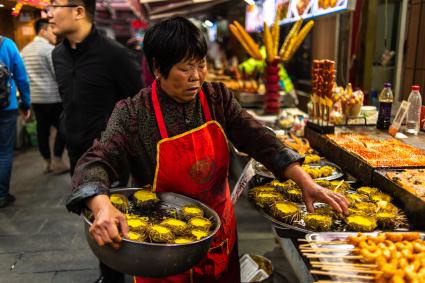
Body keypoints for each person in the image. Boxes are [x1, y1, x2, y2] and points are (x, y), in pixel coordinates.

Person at [66, 17, 348, 283]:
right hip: (162, 246)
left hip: (218, 232)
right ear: (157, 68)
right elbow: (97, 159)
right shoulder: (134, 113)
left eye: (201, 64)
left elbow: (259, 138)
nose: (196, 77)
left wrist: (304, 180)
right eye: (185, 68)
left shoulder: (217, 98)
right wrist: (101, 205)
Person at [47, 0, 142, 281]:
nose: (49, 13)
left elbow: (138, 105)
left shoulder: (115, 55)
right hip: (77, 155)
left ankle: (114, 276)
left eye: (55, 6)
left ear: (78, 11)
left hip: (111, 157)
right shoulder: (58, 55)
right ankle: (109, 272)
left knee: (110, 214)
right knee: (91, 217)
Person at [21, 18, 69, 174]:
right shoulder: (49, 50)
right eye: (50, 29)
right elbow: (58, 75)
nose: (53, 32)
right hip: (53, 98)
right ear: (42, 31)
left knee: (42, 131)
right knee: (63, 129)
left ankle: (46, 162)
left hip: (36, 98)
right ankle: (57, 160)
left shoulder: (24, 51)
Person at [0, 36, 31, 208]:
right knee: (4, 152)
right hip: (6, 107)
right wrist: (26, 103)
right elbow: (22, 78)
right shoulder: (7, 44)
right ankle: (2, 195)